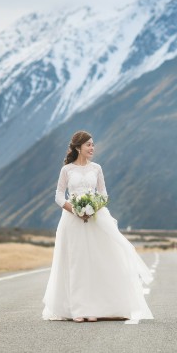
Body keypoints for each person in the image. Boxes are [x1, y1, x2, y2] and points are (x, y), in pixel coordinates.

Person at [42, 130, 153, 323]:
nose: (92, 148)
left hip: (96, 220)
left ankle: (93, 307)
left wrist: (93, 208)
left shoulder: (97, 168)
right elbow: (59, 196)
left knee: (95, 262)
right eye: (89, 145)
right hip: (72, 221)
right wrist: (75, 210)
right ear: (78, 148)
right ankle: (77, 309)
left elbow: (103, 194)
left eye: (93, 144)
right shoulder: (66, 170)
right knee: (76, 263)